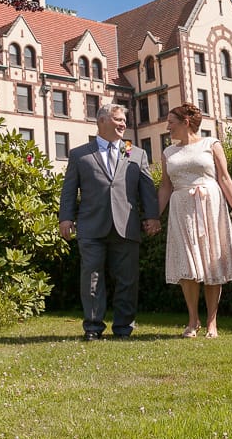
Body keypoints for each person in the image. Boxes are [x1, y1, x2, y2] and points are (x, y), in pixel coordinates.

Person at [59, 103, 161, 340]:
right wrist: (65, 218)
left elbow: (147, 189)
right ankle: (93, 328)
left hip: (126, 226)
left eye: (124, 120)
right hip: (91, 227)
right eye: (117, 119)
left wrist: (152, 216)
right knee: (91, 278)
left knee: (127, 279)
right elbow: (68, 191)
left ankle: (124, 328)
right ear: (102, 121)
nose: (123, 124)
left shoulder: (137, 154)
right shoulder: (79, 154)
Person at [158, 103, 232, 338]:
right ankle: (192, 320)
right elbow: (165, 187)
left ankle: (212, 322)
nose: (167, 127)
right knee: (187, 263)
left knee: (211, 262)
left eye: (171, 122)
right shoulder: (168, 153)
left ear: (186, 122)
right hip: (181, 208)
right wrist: (154, 215)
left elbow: (225, 178)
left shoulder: (211, 144)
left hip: (210, 205)